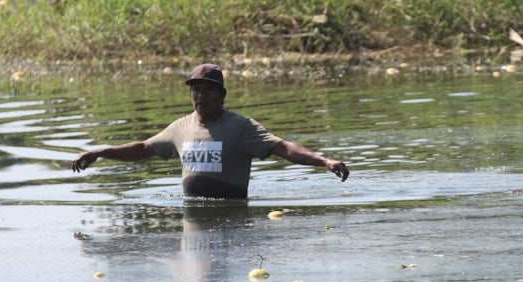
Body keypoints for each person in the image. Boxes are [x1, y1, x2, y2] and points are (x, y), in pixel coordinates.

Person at [71, 63, 350, 199]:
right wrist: (101, 152)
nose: (200, 95)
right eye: (195, 90)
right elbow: (143, 149)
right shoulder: (180, 128)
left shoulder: (240, 127)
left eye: (207, 90)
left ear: (222, 95)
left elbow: (284, 148)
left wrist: (324, 161)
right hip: (192, 216)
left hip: (231, 215)